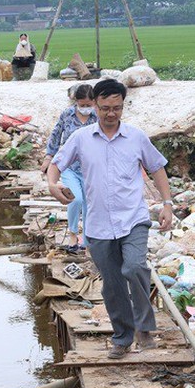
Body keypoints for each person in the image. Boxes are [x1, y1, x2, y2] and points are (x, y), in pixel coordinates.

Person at [47, 79, 174, 359]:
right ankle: (122, 337)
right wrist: (53, 185)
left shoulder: (136, 137)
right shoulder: (80, 139)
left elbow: (157, 168)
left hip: (133, 219)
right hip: (99, 224)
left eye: (116, 108)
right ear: (94, 105)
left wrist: (167, 204)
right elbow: (56, 164)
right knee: (113, 283)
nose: (111, 114)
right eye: (105, 108)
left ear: (123, 106)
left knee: (134, 267)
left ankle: (144, 327)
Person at [42, 84, 98, 250]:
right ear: (76, 102)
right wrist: (49, 156)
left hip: (90, 169)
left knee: (89, 205)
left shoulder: (97, 117)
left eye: (89, 105)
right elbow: (56, 134)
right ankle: (73, 236)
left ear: (94, 102)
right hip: (69, 166)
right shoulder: (67, 114)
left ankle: (87, 242)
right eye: (82, 105)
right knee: (76, 198)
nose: (85, 108)